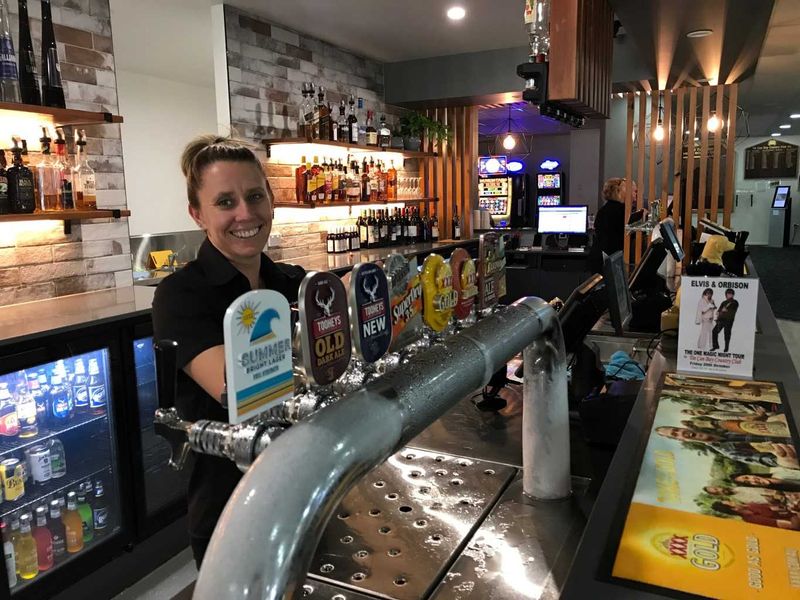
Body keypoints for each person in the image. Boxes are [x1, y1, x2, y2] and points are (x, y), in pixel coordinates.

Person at [152, 135, 306, 567]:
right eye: (225, 202)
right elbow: (240, 388)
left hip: (306, 486)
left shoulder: (292, 281)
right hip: (232, 509)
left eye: (255, 196)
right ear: (197, 214)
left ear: (271, 202)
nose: (245, 213)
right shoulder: (181, 295)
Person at [589, 177, 637, 272]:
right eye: (634, 191)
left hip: (599, 261)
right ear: (622, 192)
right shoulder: (621, 211)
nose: (635, 196)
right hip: (611, 263)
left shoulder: (603, 210)